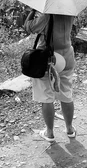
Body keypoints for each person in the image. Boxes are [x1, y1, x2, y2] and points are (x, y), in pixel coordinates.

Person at [24, 9, 77, 142]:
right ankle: (69, 129)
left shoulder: (46, 15)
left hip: (48, 58)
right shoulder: (70, 12)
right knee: (66, 93)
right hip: (67, 55)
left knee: (46, 96)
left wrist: (33, 10)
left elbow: (28, 27)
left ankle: (49, 132)